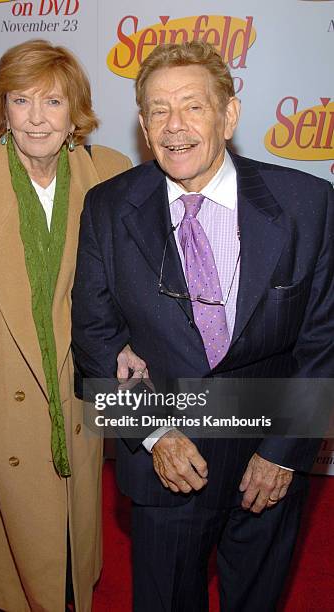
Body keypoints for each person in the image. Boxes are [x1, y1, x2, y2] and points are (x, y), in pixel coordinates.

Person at [72, 40, 334, 611]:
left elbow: (324, 343)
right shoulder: (107, 208)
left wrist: (285, 451)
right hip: (167, 462)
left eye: (192, 105)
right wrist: (154, 434)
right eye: (159, 110)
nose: (175, 126)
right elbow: (93, 340)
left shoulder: (305, 203)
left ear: (229, 114)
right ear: (142, 123)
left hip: (269, 458)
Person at [0, 39, 147, 612]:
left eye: (54, 102)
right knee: (3, 572)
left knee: (68, 557)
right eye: (21, 101)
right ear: (3, 109)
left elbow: (140, 286)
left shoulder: (112, 174)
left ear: (77, 113)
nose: (37, 118)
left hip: (75, 402)